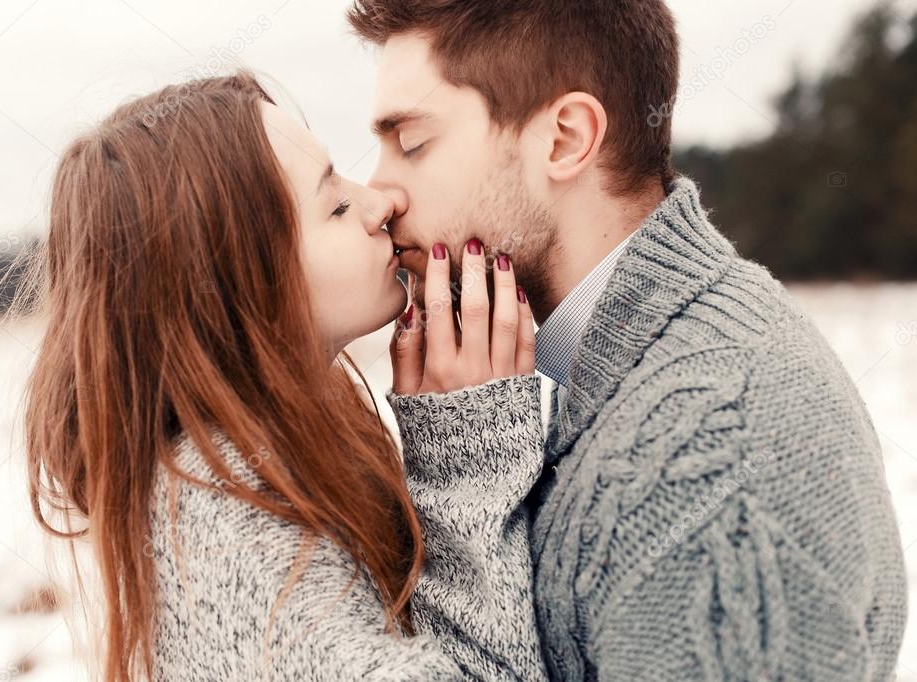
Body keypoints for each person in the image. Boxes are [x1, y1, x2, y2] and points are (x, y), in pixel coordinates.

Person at [348, 1, 909, 679]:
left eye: (411, 143)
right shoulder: (633, 369)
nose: (378, 195)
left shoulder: (714, 460)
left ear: (564, 139)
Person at [18, 71, 549, 680]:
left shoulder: (252, 464)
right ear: (237, 284)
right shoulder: (227, 525)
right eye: (336, 205)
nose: (380, 203)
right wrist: (468, 454)